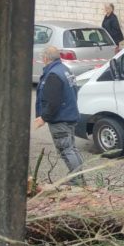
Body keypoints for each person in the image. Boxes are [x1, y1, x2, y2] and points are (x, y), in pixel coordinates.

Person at [34, 46, 85, 186]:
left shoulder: (53, 74)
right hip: (69, 115)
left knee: (66, 150)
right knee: (72, 148)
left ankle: (77, 181)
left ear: (45, 58)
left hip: (61, 119)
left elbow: (53, 101)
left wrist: (43, 118)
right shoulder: (65, 70)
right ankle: (79, 177)